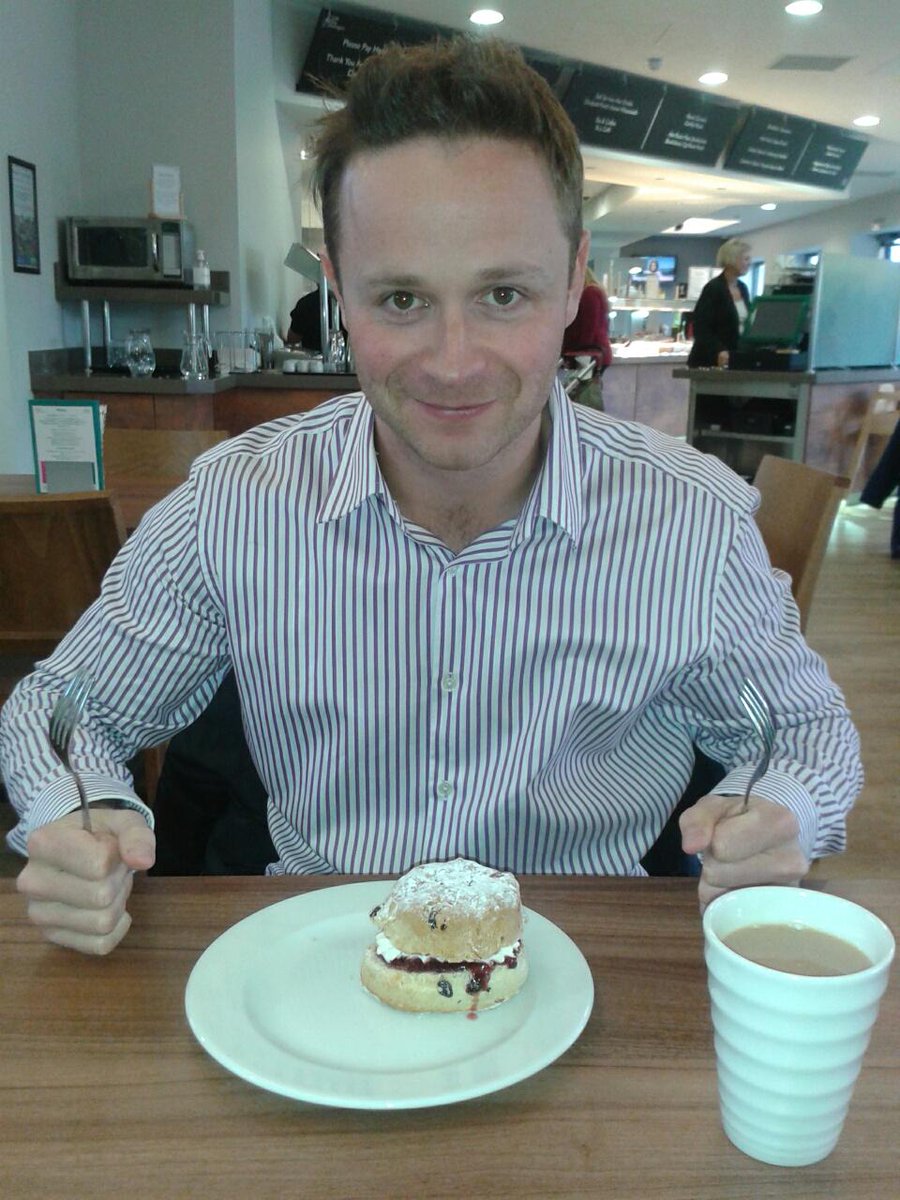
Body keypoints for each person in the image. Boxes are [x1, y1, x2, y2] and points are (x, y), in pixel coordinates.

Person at [1, 38, 860, 955]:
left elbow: (806, 732)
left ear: (573, 279)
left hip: (585, 967)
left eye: (502, 293)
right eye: (402, 300)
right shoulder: (233, 505)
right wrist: (81, 815)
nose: (454, 365)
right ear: (337, 288)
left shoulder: (688, 520)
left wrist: (781, 813)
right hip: (315, 968)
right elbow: (63, 708)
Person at [687, 238, 752, 368]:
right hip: (710, 360)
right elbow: (701, 328)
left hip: (733, 357)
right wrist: (719, 350)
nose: (749, 263)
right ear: (732, 260)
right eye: (745, 259)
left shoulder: (743, 288)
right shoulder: (714, 288)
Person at [560, 266, 611, 410]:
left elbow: (588, 329)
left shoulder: (590, 293)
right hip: (590, 354)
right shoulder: (594, 292)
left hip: (588, 354)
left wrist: (567, 349)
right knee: (581, 390)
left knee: (584, 394)